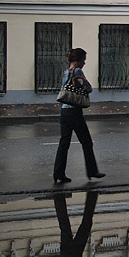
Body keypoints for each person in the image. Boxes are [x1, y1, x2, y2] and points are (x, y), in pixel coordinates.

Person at [53, 48, 105, 183]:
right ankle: (92, 171)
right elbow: (87, 87)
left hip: (64, 110)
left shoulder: (66, 72)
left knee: (64, 143)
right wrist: (86, 88)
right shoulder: (77, 71)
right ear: (78, 60)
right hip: (74, 111)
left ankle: (58, 173)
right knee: (86, 142)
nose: (84, 63)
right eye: (83, 60)